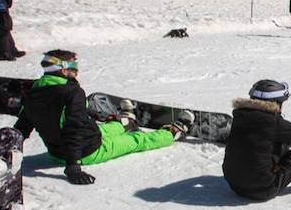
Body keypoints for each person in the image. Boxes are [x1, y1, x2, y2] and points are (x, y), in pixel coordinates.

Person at [14, 51, 190, 185]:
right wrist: (73, 167)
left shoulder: (33, 91)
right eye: (74, 67)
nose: (77, 71)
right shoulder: (72, 93)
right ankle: (173, 132)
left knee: (105, 129)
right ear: (63, 70)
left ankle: (124, 122)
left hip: (59, 151)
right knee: (137, 139)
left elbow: (22, 126)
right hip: (87, 152)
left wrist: (6, 155)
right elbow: (73, 129)